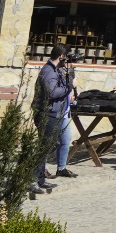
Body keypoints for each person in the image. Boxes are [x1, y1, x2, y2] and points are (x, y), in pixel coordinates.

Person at [34, 46, 75, 194]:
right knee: (45, 148)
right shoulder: (49, 71)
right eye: (67, 57)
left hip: (53, 113)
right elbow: (51, 93)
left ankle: (40, 179)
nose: (68, 60)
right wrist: (69, 87)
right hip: (46, 113)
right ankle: (31, 179)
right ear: (62, 56)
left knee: (48, 146)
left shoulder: (56, 70)